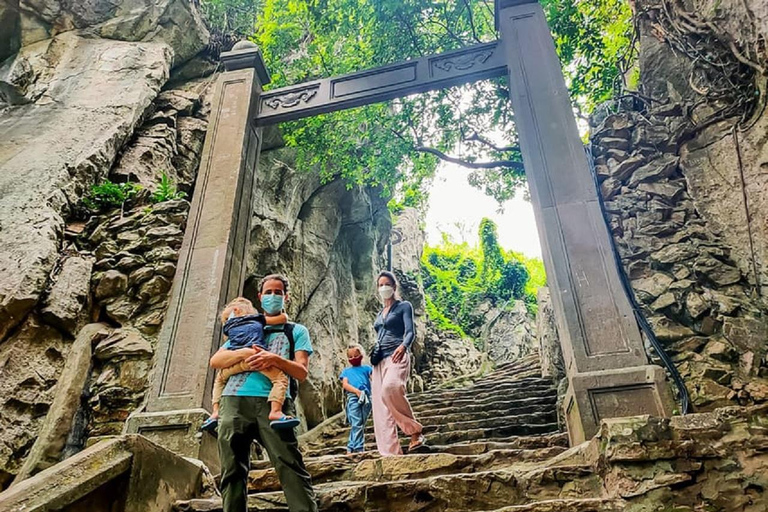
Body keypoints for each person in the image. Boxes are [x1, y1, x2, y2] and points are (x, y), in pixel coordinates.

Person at [210, 274, 317, 512]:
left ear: (286, 297)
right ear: (259, 297)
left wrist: (274, 359)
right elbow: (217, 360)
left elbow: (301, 372)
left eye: (278, 292)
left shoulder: (296, 331)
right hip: (234, 400)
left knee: (289, 464)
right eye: (268, 292)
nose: (272, 296)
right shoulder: (244, 327)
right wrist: (244, 353)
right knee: (232, 468)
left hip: (275, 403)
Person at [201, 297, 299, 435]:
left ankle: (215, 412)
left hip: (238, 362)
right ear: (240, 310)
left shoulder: (229, 327)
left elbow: (215, 362)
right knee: (280, 380)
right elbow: (283, 319)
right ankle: (275, 411)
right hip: (256, 357)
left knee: (220, 380)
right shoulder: (255, 320)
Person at [369, 270, 425, 456]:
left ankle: (414, 432)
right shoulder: (379, 314)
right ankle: (390, 453)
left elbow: (410, 331)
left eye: (387, 284)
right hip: (379, 361)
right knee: (380, 407)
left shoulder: (404, 306)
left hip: (396, 355)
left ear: (394, 286)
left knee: (390, 389)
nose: (383, 287)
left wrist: (403, 346)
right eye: (380, 285)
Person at [339, 344, 373, 455]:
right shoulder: (346, 371)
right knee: (357, 423)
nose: (353, 359)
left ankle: (351, 447)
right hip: (353, 397)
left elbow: (374, 379)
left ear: (361, 355)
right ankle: (358, 448)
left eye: (356, 355)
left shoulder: (367, 368)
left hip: (367, 397)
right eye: (350, 357)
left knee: (360, 423)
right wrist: (356, 392)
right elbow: (345, 384)